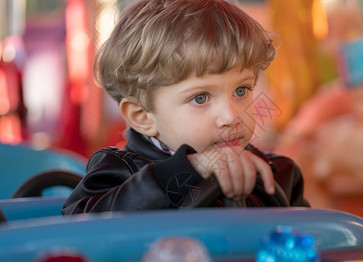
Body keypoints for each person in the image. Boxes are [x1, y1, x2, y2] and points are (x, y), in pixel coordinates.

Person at [62, 0, 309, 214]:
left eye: (241, 90)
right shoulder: (119, 173)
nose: (231, 116)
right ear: (142, 116)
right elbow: (84, 225)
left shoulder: (279, 175)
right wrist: (194, 168)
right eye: (200, 98)